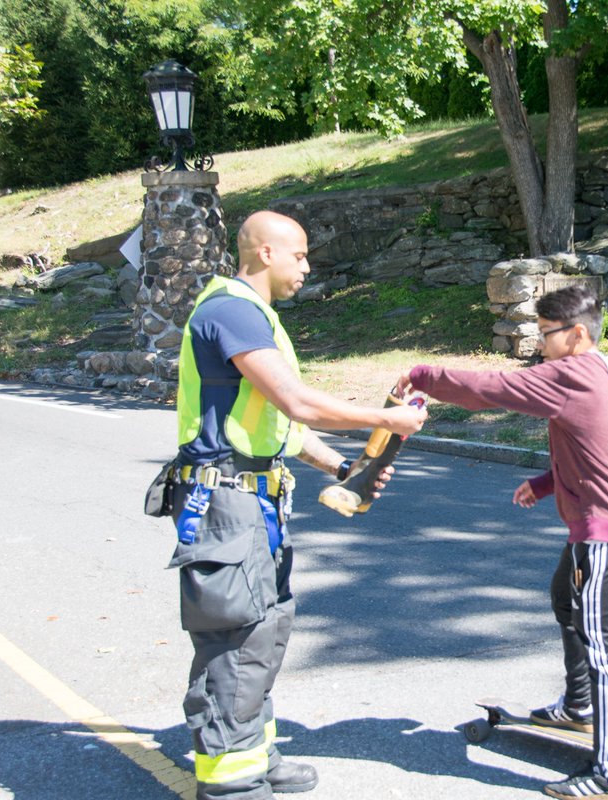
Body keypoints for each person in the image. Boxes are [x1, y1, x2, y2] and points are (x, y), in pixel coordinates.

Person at [168, 210, 427, 800]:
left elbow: (280, 422)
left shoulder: (254, 317)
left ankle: (254, 756)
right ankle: (229, 783)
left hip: (253, 500)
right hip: (225, 502)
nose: (307, 266)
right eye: (300, 255)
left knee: (264, 629)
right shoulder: (231, 311)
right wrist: (386, 418)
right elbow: (297, 401)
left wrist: (344, 468)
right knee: (235, 638)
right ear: (264, 252)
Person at [398, 285, 608, 799]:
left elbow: (491, 389)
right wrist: (544, 483)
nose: (540, 344)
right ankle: (579, 705)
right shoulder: (604, 371)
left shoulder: (572, 372)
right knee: (566, 598)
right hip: (601, 520)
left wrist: (423, 375)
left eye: (546, 334)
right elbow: (598, 448)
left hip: (607, 526)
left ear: (577, 334)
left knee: (604, 647)